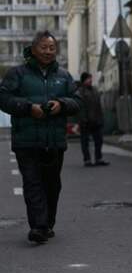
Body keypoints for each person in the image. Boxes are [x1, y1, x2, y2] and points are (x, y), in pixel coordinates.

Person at [0, 31, 81, 244]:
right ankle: (39, 226)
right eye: (43, 47)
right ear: (34, 49)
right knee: (32, 183)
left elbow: (77, 101)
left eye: (52, 48)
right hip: (26, 141)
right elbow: (3, 98)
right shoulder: (17, 74)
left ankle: (48, 223)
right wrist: (28, 108)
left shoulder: (63, 76)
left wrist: (61, 105)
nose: (48, 51)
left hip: (54, 141)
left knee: (52, 185)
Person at [77, 72, 109, 167]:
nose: (90, 80)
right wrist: (83, 119)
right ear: (84, 80)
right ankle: (87, 160)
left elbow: (98, 106)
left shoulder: (95, 90)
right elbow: (80, 107)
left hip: (96, 120)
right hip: (86, 121)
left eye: (90, 78)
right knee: (85, 142)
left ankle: (98, 158)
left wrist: (101, 119)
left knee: (99, 140)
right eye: (88, 78)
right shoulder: (80, 92)